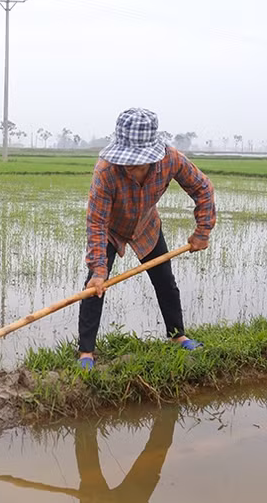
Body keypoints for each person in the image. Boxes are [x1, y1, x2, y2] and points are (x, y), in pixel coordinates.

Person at [78, 107, 216, 370]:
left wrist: (202, 231)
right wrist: (98, 269)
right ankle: (86, 351)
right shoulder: (106, 171)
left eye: (139, 161)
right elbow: (96, 221)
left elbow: (203, 187)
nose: (133, 167)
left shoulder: (171, 159)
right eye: (128, 160)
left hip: (146, 225)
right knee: (94, 286)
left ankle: (178, 335)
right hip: (111, 228)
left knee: (165, 280)